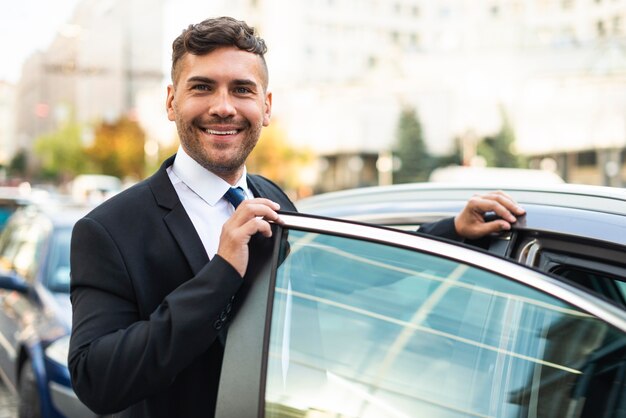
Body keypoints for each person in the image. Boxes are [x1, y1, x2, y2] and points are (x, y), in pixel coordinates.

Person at [68, 16, 525, 418]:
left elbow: (339, 271)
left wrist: (452, 232)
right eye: (202, 87)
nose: (224, 106)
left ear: (266, 108)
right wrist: (220, 273)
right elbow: (97, 381)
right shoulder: (107, 231)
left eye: (242, 90)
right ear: (171, 102)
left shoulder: (271, 197)